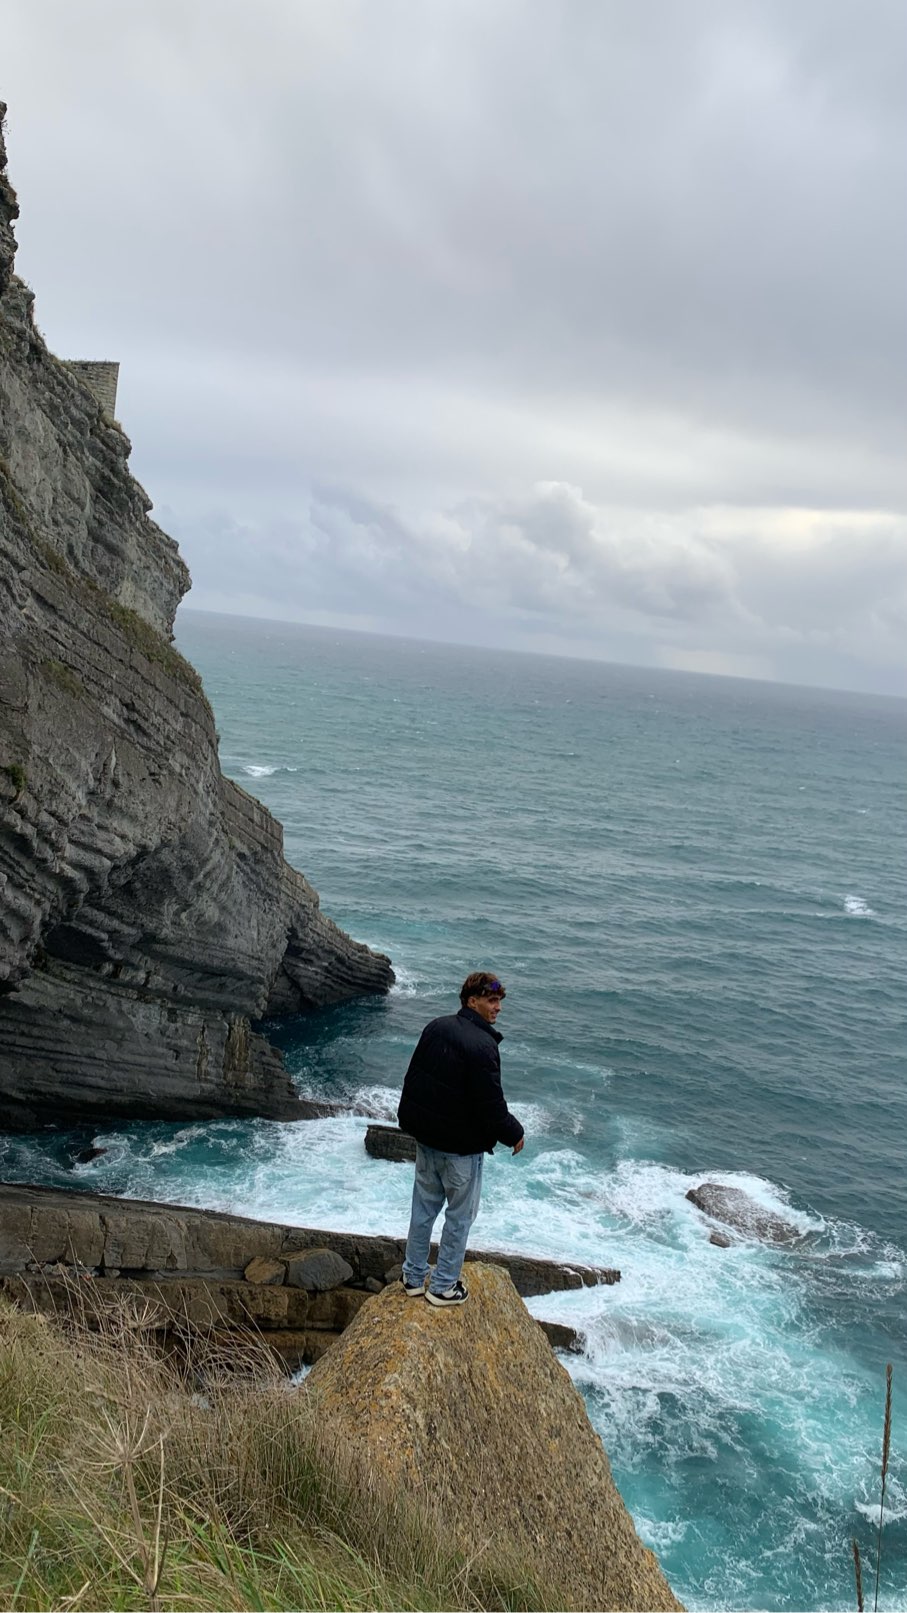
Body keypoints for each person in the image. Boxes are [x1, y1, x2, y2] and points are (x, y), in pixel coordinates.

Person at [398, 969, 525, 1307]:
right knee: (459, 1216)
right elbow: (491, 1106)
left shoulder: (436, 1027)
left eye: (499, 1001)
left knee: (423, 1208)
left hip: (427, 1141)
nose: (497, 1007)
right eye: (491, 1000)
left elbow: (415, 1079)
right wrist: (514, 1133)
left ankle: (412, 1277)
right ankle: (442, 1286)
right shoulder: (483, 1046)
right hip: (461, 1153)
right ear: (472, 1001)